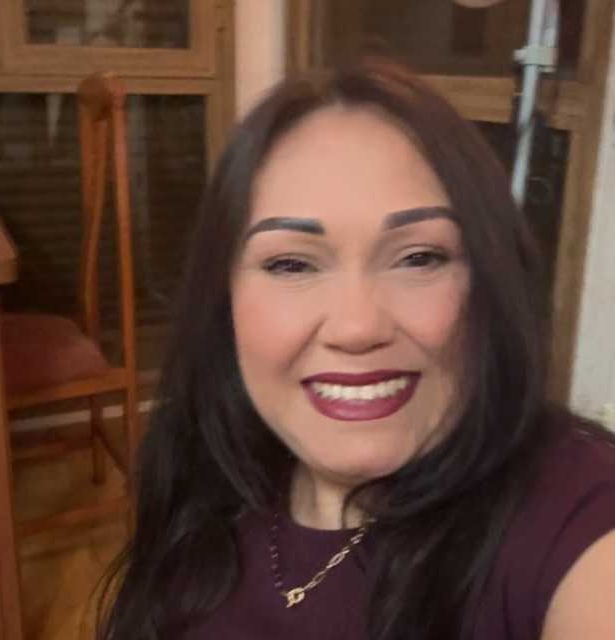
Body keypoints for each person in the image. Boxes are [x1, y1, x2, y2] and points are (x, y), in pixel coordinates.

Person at [97, 57, 615, 640]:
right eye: (291, 264)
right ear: (224, 298)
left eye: (419, 257)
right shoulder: (209, 472)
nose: (357, 327)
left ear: (490, 283)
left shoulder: (577, 519)